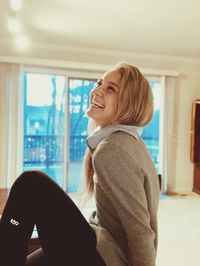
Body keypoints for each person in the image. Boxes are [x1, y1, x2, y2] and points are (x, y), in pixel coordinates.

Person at [0, 63, 160, 266]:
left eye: (111, 88)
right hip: (101, 243)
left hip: (107, 259)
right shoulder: (129, 141)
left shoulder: (113, 149)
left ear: (130, 103)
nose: (96, 90)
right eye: (100, 83)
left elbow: (140, 229)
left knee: (31, 184)